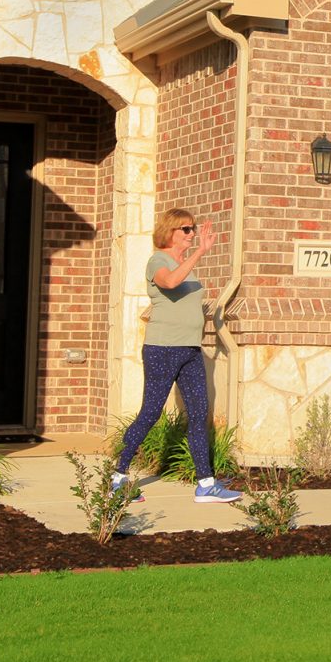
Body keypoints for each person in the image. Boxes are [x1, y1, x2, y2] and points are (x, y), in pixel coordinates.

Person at [113, 209, 241, 504]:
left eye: (193, 228)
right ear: (170, 231)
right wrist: (199, 253)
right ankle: (118, 478)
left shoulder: (184, 265)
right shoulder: (158, 261)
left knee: (199, 413)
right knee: (151, 412)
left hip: (190, 350)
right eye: (186, 229)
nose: (192, 233)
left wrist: (195, 256)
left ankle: (206, 484)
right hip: (163, 349)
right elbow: (169, 283)